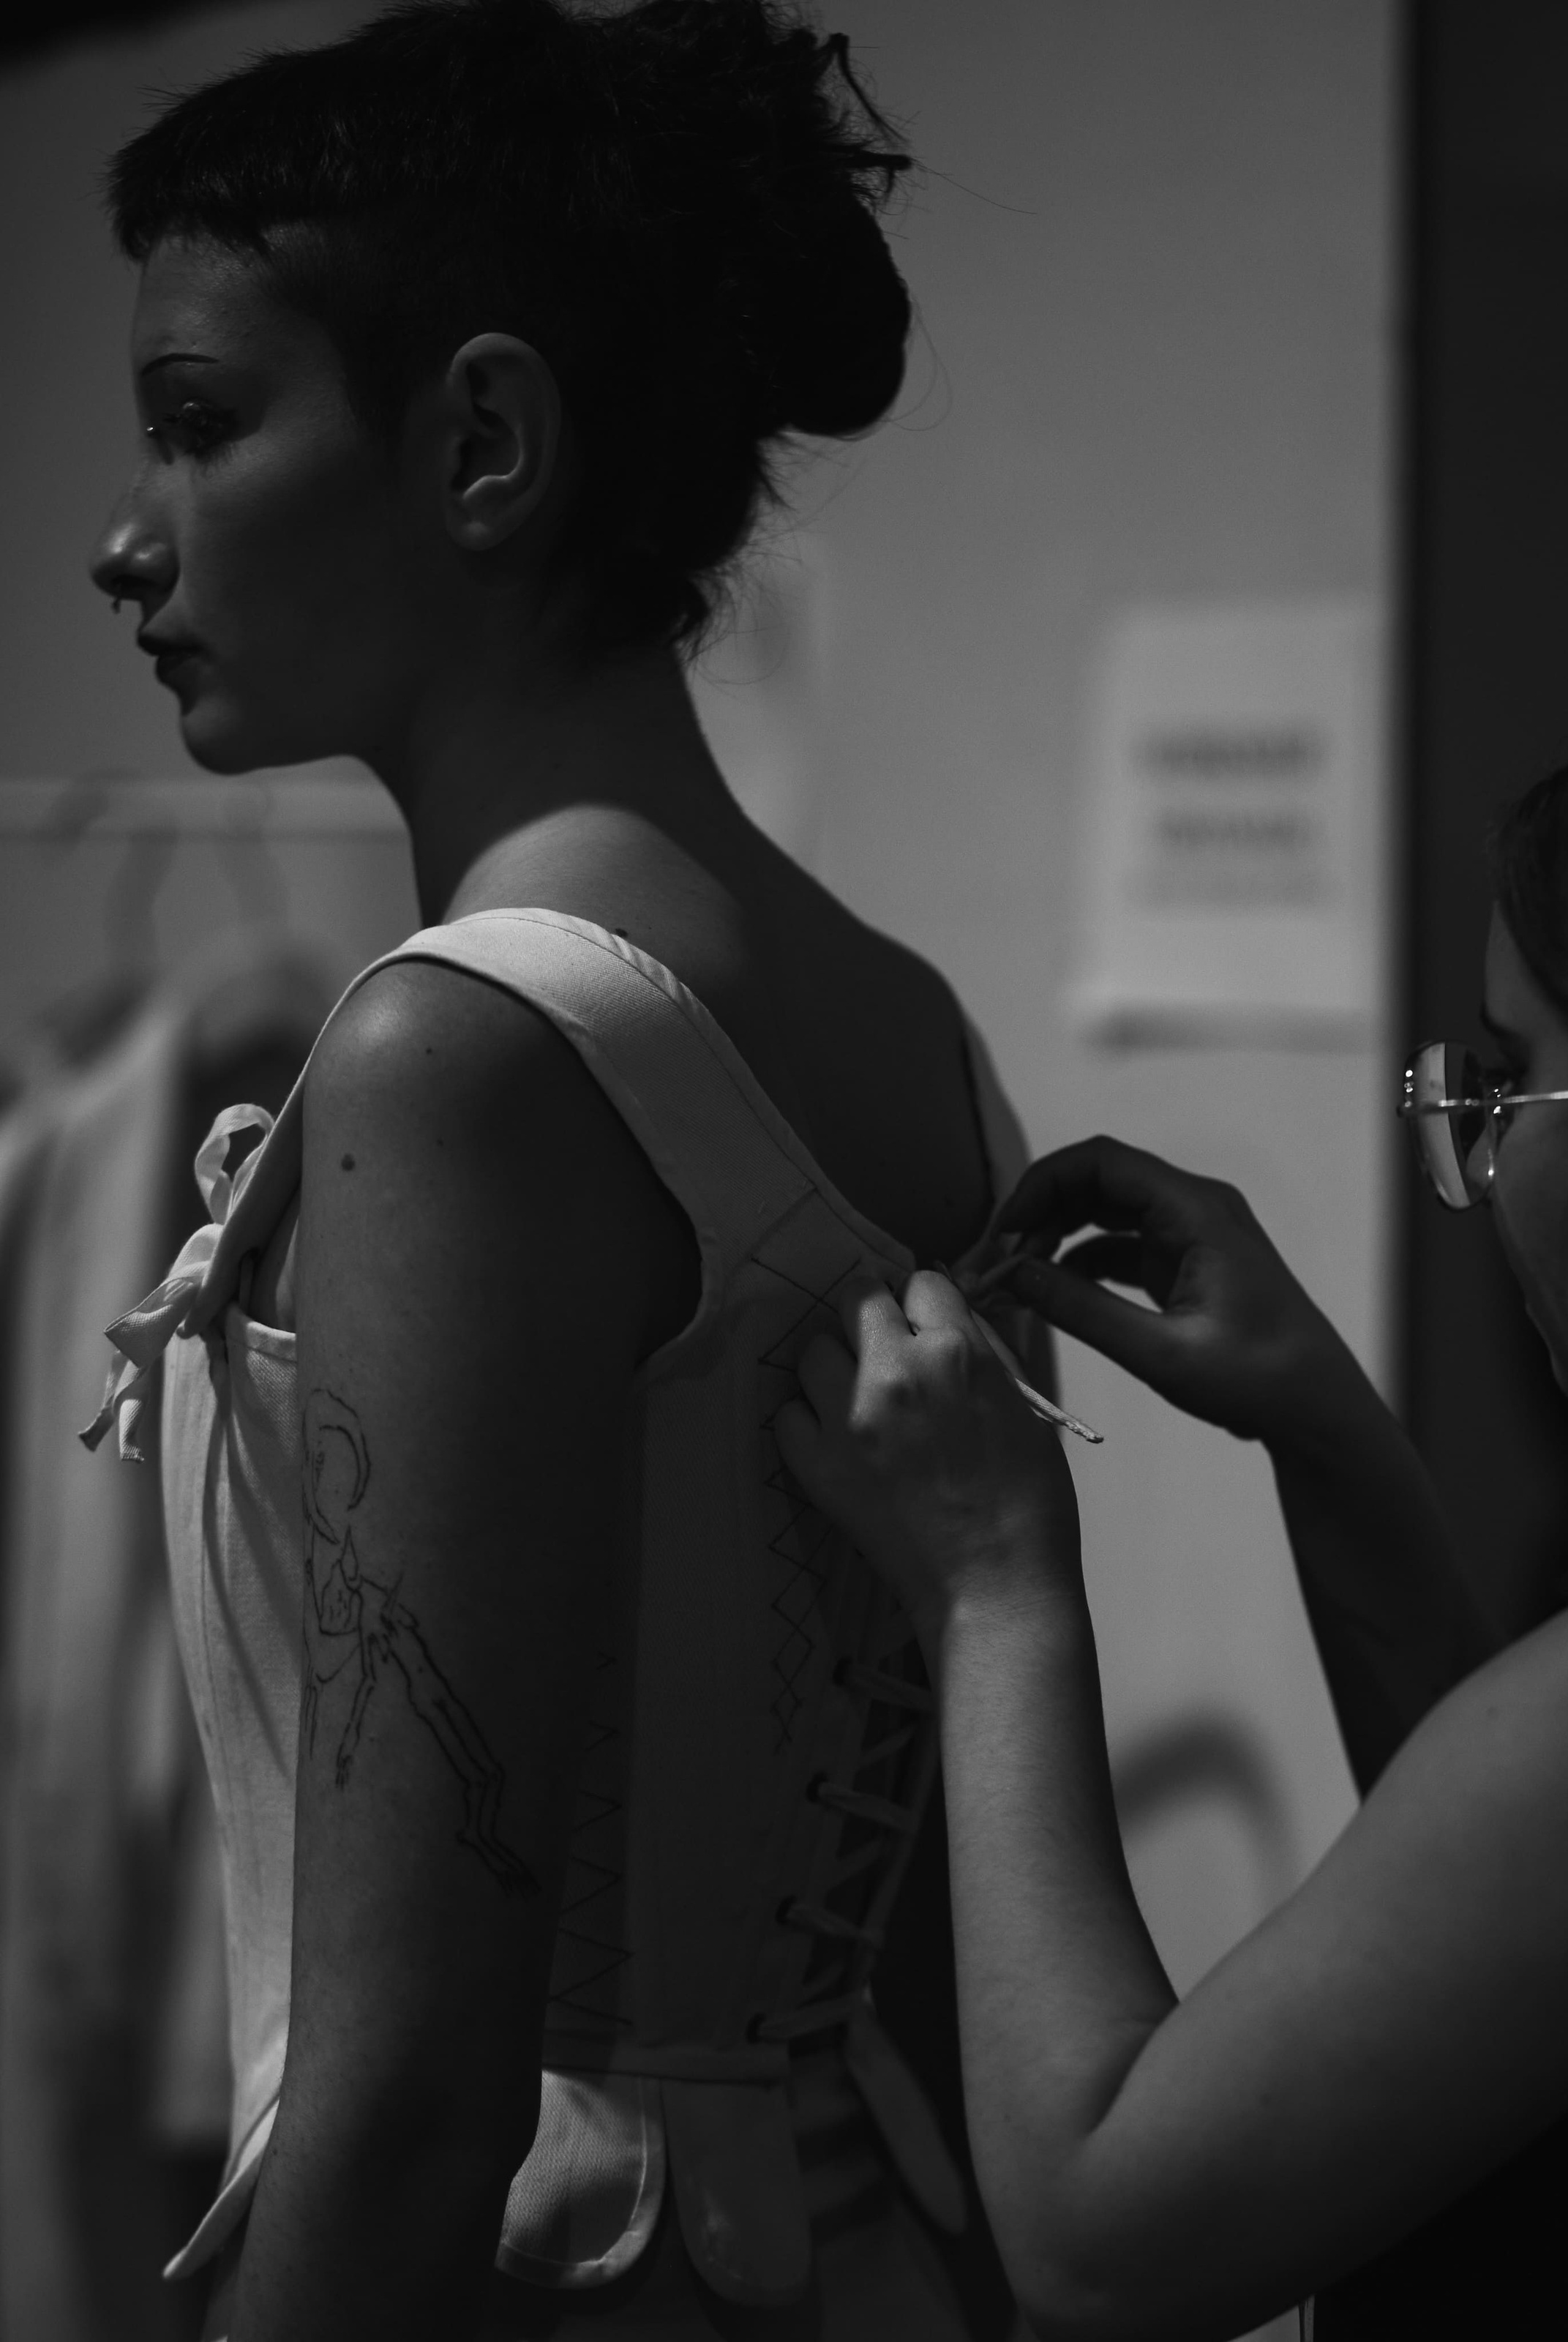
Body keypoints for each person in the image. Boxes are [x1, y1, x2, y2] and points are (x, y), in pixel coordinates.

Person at [81, 2, 1037, 2335]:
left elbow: (419, 2100)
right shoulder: (897, 1014)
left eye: (203, 429)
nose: (129, 540)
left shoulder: (466, 1055)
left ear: (482, 442)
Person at [776, 686, 1568, 2338]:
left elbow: (1097, 2240)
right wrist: (1323, 1433)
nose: (1481, 1155)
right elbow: (1512, 1916)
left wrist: (996, 1588)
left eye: (1508, 1085)